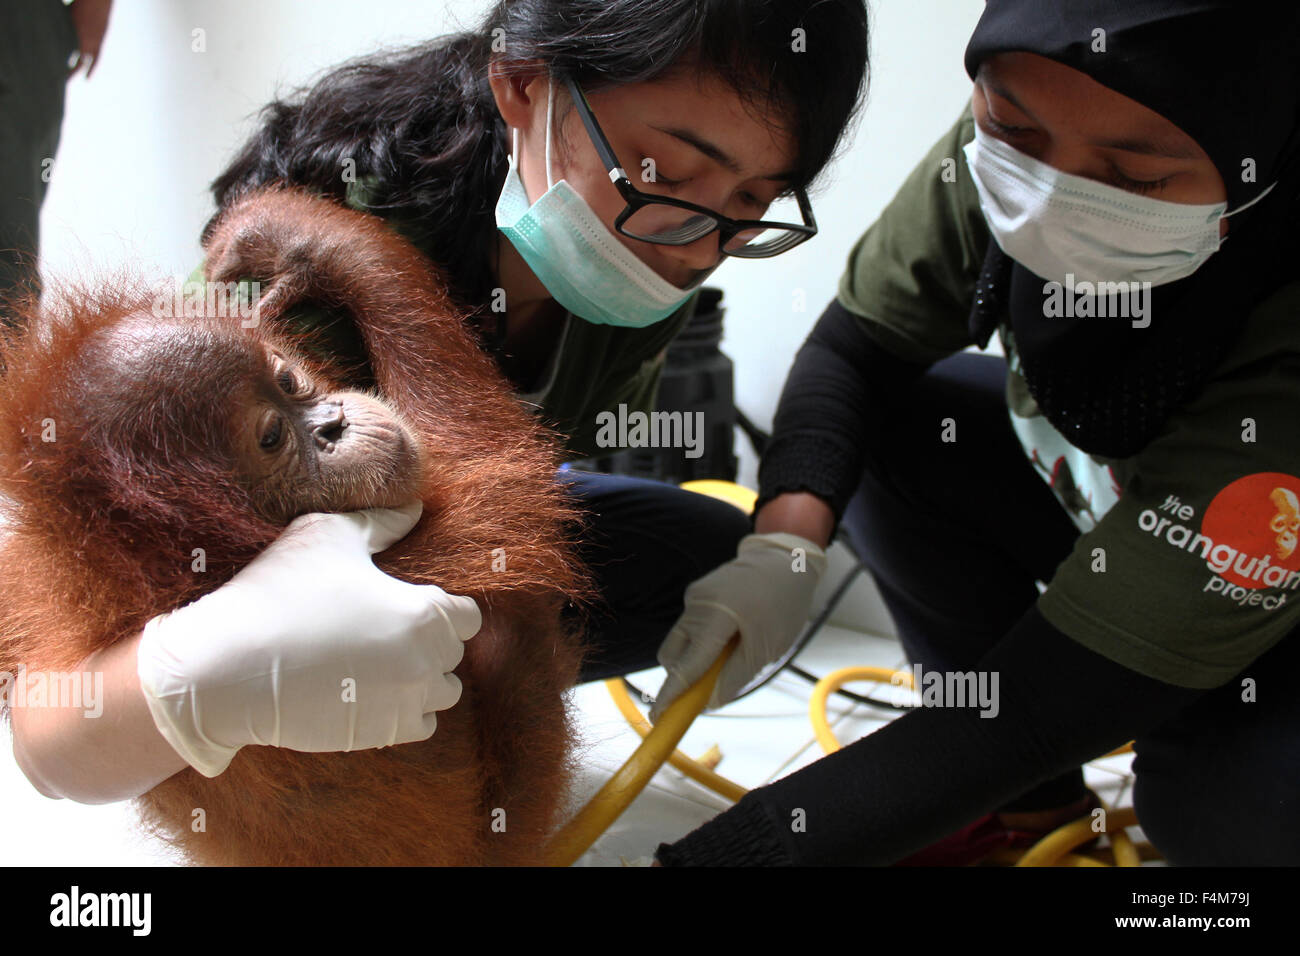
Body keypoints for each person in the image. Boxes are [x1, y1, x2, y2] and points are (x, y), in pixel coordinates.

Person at [8, 0, 870, 805]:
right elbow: (49, 692)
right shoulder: (285, 301)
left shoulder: (650, 257)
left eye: (751, 205)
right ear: (524, 84)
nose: (697, 250)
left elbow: (510, 508)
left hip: (440, 556)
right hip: (264, 600)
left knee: (702, 559)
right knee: (484, 628)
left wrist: (783, 555)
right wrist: (187, 681)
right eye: (667, 173)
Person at [652, 0, 1300, 865]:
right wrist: (786, 547)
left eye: (1139, 179)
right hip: (1130, 513)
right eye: (1012, 133)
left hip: (1271, 582)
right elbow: (858, 353)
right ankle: (1026, 815)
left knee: (1226, 820)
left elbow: (1039, 707)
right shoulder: (1029, 117)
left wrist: (737, 854)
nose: (1051, 196)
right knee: (910, 428)